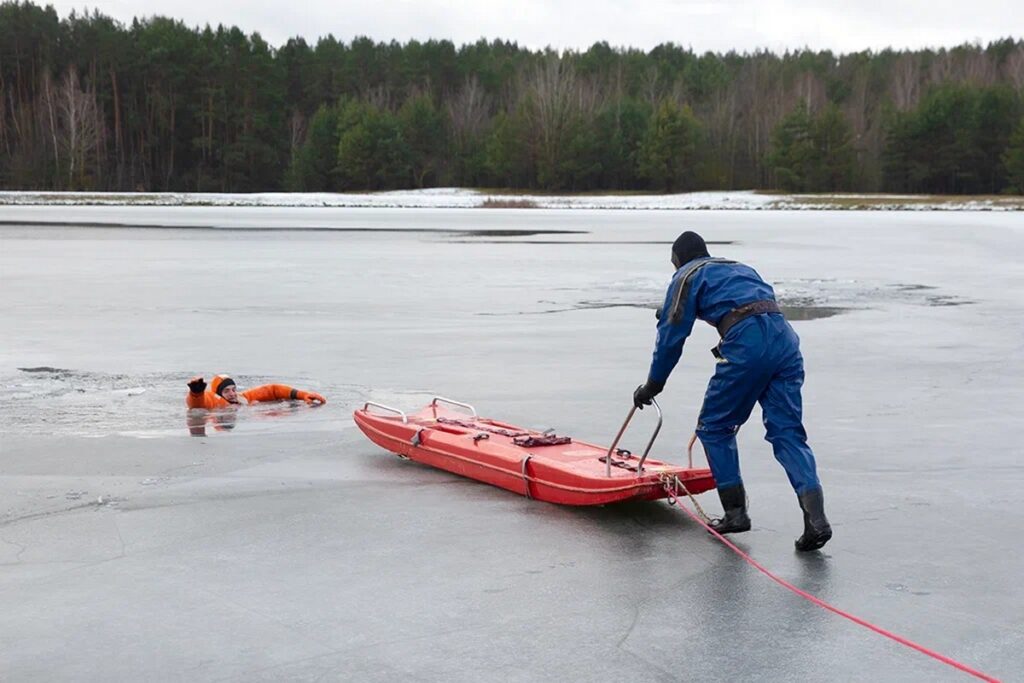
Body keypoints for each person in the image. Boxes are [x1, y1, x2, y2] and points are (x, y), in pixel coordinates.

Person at [633, 231, 832, 552]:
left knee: (714, 427)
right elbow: (738, 302)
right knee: (788, 433)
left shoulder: (686, 275)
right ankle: (817, 519)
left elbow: (671, 335)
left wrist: (652, 385)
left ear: (677, 260)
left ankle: (735, 513)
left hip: (747, 344)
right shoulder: (738, 268)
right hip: (785, 342)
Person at [186, 374, 326, 410]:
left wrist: (302, 395)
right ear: (219, 393)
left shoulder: (243, 398)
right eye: (227, 391)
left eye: (234, 389)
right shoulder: (216, 402)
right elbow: (200, 404)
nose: (232, 393)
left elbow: (272, 390)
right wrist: (196, 394)